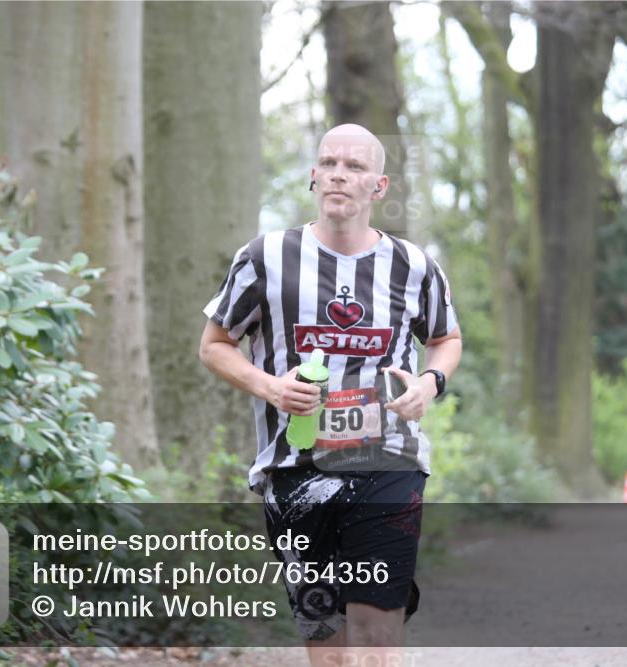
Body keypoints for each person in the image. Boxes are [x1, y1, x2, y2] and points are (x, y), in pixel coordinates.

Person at [199, 124, 462, 666]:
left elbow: (445, 339)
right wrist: (271, 386)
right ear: (314, 176)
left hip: (389, 460)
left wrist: (428, 384)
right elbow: (214, 344)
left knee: (376, 636)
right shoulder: (265, 257)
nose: (339, 173)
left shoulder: (413, 266)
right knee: (327, 642)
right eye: (329, 162)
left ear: (379, 186)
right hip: (295, 468)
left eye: (356, 166)